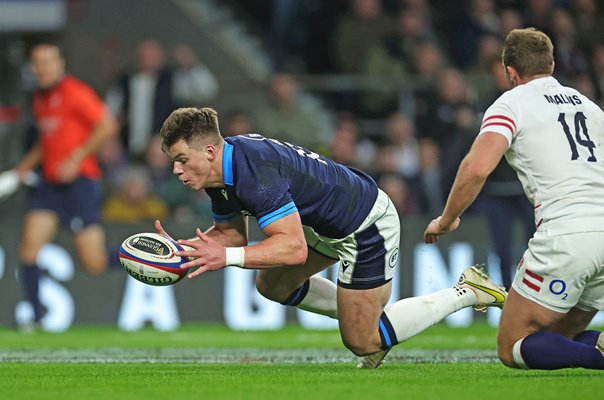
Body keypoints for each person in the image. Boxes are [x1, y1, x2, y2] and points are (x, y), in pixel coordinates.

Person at [154, 107, 507, 368]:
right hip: (322, 225)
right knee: (272, 286)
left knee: (363, 342)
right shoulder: (221, 173)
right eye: (173, 161)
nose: (176, 170)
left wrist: (227, 258)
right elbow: (230, 237)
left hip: (365, 224)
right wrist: (182, 252)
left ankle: (469, 290)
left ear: (210, 151)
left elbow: (290, 249)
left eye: (182, 159)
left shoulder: (253, 171)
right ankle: (366, 315)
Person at [424, 28, 604, 370]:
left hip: (567, 232)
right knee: (556, 337)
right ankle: (594, 349)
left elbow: (477, 168)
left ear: (510, 72)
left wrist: (447, 219)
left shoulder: (511, 103)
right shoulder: (590, 107)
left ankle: (598, 358)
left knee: (512, 345)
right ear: (552, 64)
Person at [12, 41, 118, 328]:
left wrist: (77, 157)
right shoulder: (40, 99)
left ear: (60, 64)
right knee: (28, 248)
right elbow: (49, 142)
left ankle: (141, 254)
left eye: (47, 61)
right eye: (37, 63)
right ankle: (36, 318)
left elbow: (108, 126)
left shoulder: (76, 92)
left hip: (80, 184)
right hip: (49, 187)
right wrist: (25, 166)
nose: (42, 68)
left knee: (93, 262)